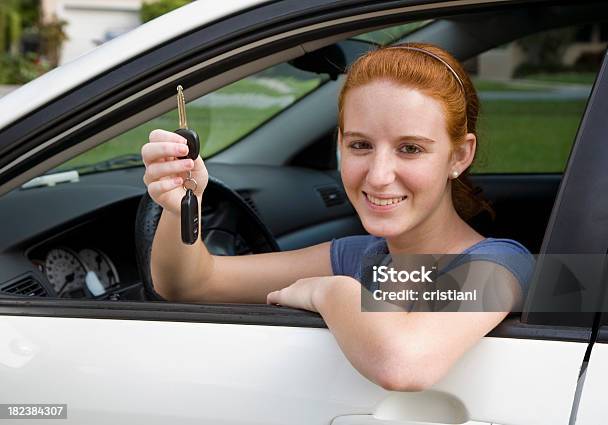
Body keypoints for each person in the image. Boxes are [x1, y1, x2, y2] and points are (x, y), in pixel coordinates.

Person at [141, 42, 533, 391]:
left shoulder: (501, 265)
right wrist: (179, 206)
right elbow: (191, 285)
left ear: (459, 155)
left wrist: (329, 291)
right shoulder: (360, 258)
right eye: (360, 145)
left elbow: (404, 363)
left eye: (410, 149)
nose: (378, 176)